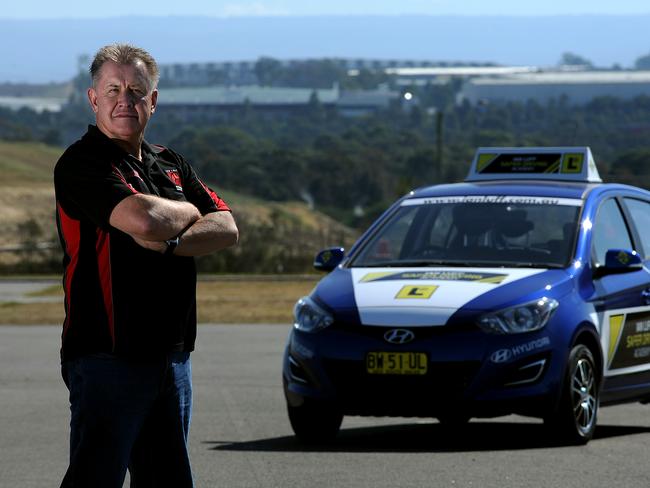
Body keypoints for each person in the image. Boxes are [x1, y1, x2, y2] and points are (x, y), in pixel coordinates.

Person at [54, 43, 238, 487]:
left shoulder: (170, 163)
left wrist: (170, 241)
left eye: (137, 90)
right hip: (107, 356)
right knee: (95, 479)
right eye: (113, 88)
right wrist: (189, 213)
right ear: (93, 98)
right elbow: (142, 218)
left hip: (172, 358)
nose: (125, 100)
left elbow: (228, 227)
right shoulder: (83, 163)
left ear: (152, 101)